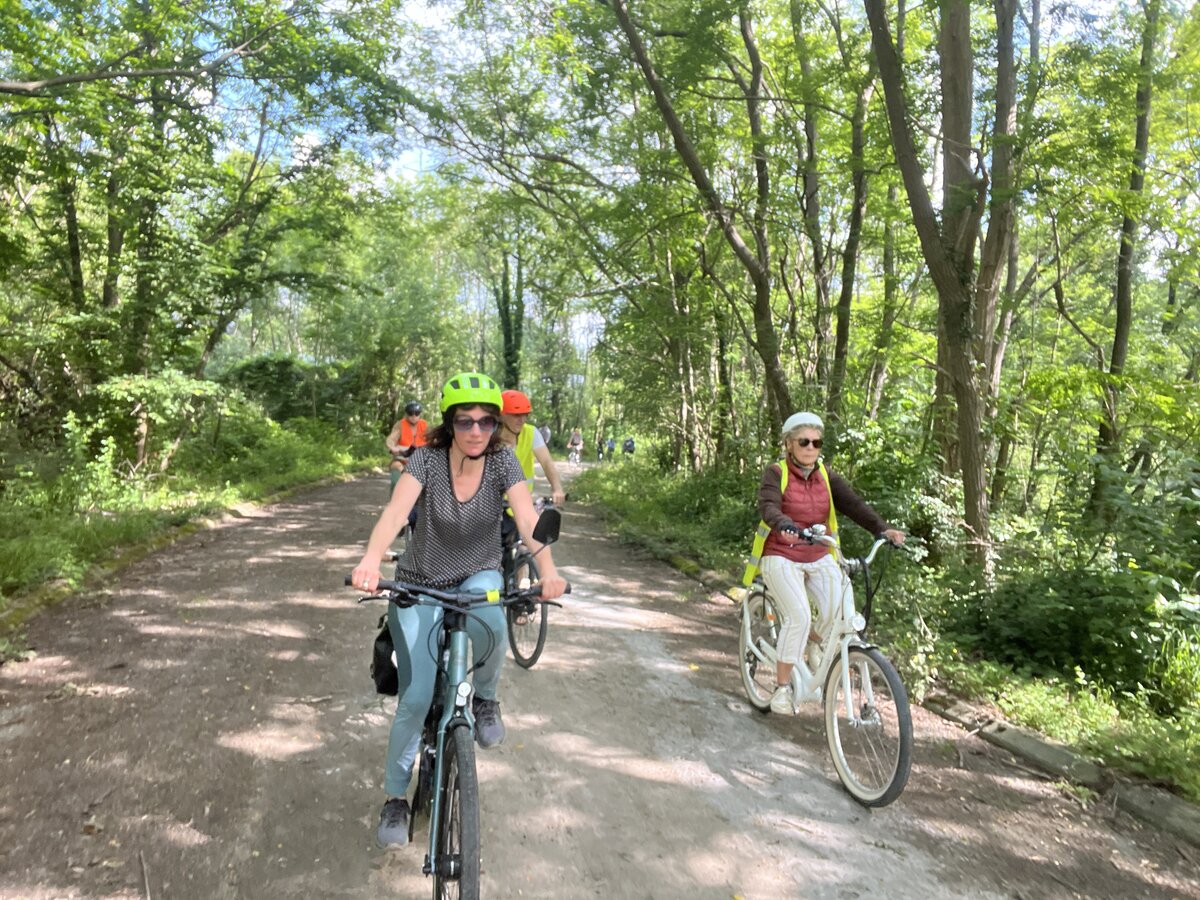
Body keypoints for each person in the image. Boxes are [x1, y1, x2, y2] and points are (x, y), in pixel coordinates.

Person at [351, 372, 567, 849]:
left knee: (491, 613)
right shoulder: (426, 460)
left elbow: (527, 518)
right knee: (415, 697)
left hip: (478, 573)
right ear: (450, 423)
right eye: (465, 421)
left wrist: (548, 572)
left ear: (496, 426)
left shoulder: (502, 461)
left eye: (486, 422)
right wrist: (370, 560)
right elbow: (395, 513)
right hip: (420, 580)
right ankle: (395, 798)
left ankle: (485, 699)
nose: (476, 430)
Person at [745, 411, 905, 716]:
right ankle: (782, 688)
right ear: (789, 444)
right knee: (799, 616)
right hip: (781, 553)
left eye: (816, 442)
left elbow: (853, 504)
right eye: (803, 441)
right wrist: (784, 523)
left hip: (819, 554)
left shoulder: (826, 476)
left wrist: (882, 529)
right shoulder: (776, 473)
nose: (810, 447)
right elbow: (768, 506)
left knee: (841, 611)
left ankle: (813, 642)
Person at [498, 390, 566, 508]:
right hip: (490, 505)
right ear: (502, 415)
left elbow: (546, 462)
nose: (522, 420)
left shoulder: (531, 433)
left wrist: (557, 488)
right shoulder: (487, 435)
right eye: (516, 415)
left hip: (521, 504)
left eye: (525, 415)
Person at [385, 401, 428, 495]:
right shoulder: (400, 424)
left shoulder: (424, 425)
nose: (414, 416)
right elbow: (391, 439)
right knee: (396, 480)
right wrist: (392, 447)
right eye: (411, 413)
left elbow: (433, 438)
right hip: (402, 460)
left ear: (420, 414)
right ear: (407, 414)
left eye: (416, 413)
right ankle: (395, 500)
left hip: (421, 461)